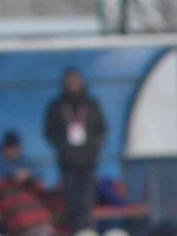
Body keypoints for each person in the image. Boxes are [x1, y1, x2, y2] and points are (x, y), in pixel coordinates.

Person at [44, 68, 107, 235]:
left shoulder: (91, 105)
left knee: (87, 201)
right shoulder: (57, 106)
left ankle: (86, 231)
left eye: (75, 82)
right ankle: (75, 231)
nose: (72, 86)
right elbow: (49, 132)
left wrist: (92, 147)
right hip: (67, 162)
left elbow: (102, 129)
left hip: (88, 161)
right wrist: (63, 147)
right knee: (72, 201)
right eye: (69, 83)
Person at [0, 131, 53, 236]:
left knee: (33, 201)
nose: (15, 151)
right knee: (17, 202)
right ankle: (25, 230)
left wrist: (27, 175)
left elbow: (37, 172)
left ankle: (39, 228)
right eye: (12, 149)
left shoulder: (22, 160)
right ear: (5, 149)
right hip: (3, 196)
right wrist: (13, 176)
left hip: (22, 193)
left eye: (17, 148)